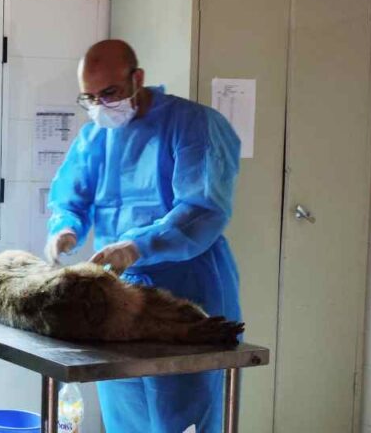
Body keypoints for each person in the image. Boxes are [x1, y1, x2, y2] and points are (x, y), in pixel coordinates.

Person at [46, 40, 242, 432]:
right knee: (125, 415)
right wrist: (65, 228)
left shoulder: (194, 125)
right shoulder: (96, 136)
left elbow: (202, 210)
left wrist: (138, 246)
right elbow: (73, 196)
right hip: (121, 303)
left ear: (138, 78)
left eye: (109, 93)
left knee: (183, 417)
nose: (100, 105)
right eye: (90, 97)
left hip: (188, 296)